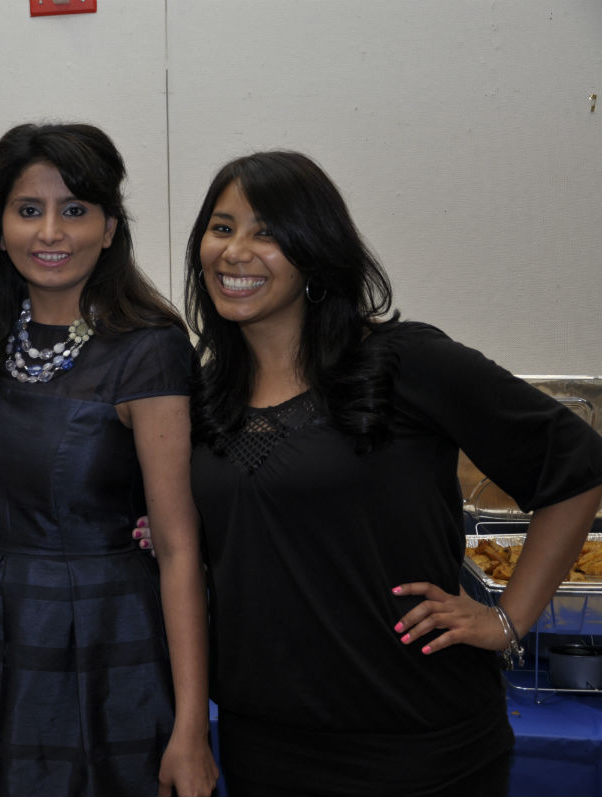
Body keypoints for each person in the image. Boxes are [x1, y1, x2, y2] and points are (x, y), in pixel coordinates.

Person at [184, 150, 602, 795]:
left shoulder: (404, 363)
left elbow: (576, 466)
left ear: (315, 251)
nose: (236, 250)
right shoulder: (205, 397)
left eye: (267, 231)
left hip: (418, 743)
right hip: (262, 740)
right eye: (221, 226)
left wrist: (508, 619)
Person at [0, 123, 220, 797]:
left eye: (75, 210)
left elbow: (179, 548)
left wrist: (188, 727)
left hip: (106, 642)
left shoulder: (147, 349)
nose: (50, 233)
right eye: (29, 210)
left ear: (111, 227)